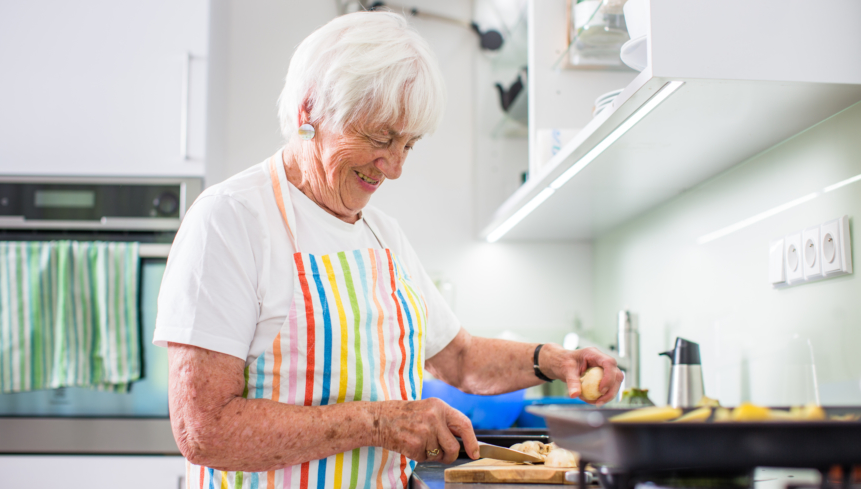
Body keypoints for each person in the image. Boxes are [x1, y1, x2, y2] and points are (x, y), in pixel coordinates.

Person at [153, 10, 623, 489]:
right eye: (380, 138)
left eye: (408, 145)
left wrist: (553, 361)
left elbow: (458, 357)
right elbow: (204, 429)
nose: (394, 167)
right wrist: (381, 422)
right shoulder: (230, 220)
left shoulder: (382, 233)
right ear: (309, 112)